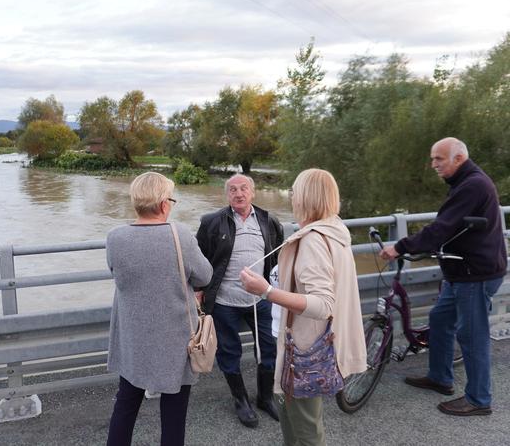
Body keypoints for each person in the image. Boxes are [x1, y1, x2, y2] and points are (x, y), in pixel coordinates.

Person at [380, 137, 507, 416]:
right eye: (432, 158)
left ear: (458, 158)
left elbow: (441, 228)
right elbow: (452, 228)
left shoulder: (472, 185)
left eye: (439, 159)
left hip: (475, 274)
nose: (433, 164)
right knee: (439, 320)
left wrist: (401, 247)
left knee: (472, 336)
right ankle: (440, 377)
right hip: (462, 271)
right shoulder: (466, 182)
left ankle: (479, 400)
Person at [240, 168, 367, 446]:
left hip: (306, 349)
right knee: (295, 420)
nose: (291, 197)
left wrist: (267, 291)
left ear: (305, 198)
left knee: (307, 430)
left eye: (295, 191)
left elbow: (322, 304)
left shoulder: (313, 241)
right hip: (320, 343)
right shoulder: (335, 231)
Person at [106, 172, 213, 446]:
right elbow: (205, 276)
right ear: (164, 203)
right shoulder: (180, 235)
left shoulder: (115, 237)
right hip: (175, 339)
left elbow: (117, 273)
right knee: (174, 413)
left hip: (134, 338)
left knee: (126, 405)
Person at [196, 174, 284, 427]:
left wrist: (276, 290)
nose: (239, 193)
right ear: (227, 195)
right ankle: (241, 400)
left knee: (269, 349)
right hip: (224, 301)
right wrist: (200, 289)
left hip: (261, 300)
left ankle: (265, 398)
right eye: (233, 189)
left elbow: (277, 259)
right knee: (229, 352)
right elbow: (200, 260)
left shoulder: (269, 221)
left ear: (253, 192)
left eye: (244, 188)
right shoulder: (212, 222)